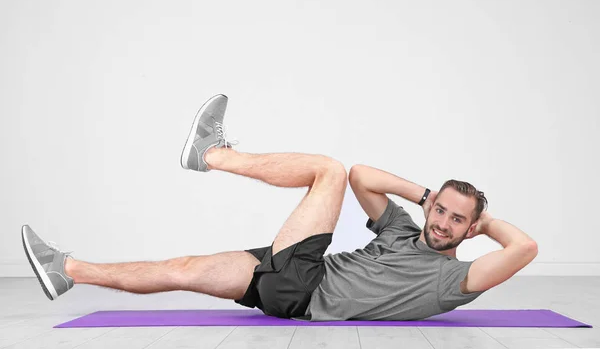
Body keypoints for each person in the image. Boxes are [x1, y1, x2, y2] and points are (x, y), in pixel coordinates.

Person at [22, 94, 538, 321]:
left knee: (327, 170)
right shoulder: (402, 227)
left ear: (469, 231)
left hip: (301, 285)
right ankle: (66, 271)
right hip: (286, 283)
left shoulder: (454, 282)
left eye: (456, 219)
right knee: (181, 269)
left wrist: (481, 222)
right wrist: (427, 196)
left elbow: (525, 246)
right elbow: (367, 177)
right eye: (441, 211)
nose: (443, 223)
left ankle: (214, 155)